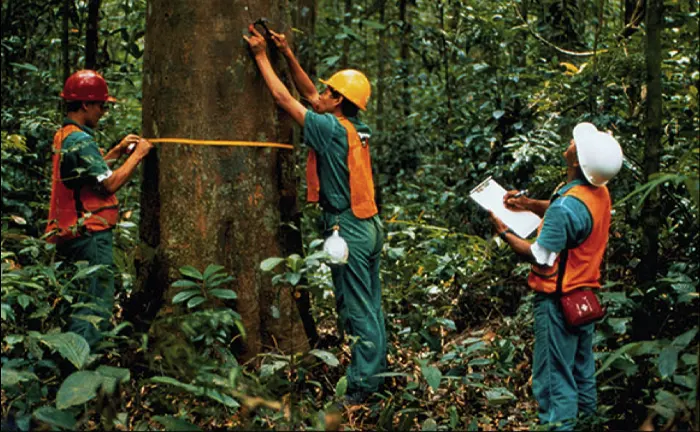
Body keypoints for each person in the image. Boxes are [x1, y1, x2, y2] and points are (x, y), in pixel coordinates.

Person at [244, 25, 387, 404]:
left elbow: (284, 98)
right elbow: (309, 93)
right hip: (369, 226)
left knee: (357, 309)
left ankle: (362, 388)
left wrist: (260, 55)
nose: (319, 95)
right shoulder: (355, 126)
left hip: (349, 229)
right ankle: (377, 372)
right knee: (370, 304)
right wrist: (287, 53)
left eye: (328, 92)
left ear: (338, 100)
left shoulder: (328, 129)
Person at [489, 123, 623, 430]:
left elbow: (539, 254)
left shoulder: (565, 207)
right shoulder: (598, 193)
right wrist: (527, 205)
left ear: (578, 162)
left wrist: (505, 231)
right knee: (581, 372)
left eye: (576, 145)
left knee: (554, 382)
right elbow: (566, 209)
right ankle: (588, 425)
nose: (571, 143)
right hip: (584, 298)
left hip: (557, 303)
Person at [46, 70, 153, 346]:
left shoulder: (66, 135)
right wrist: (138, 156)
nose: (103, 112)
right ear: (85, 105)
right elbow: (108, 185)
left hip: (72, 232)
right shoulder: (80, 140)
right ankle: (82, 370)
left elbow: (85, 177)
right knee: (93, 306)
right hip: (89, 234)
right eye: (101, 105)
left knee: (80, 300)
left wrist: (116, 152)